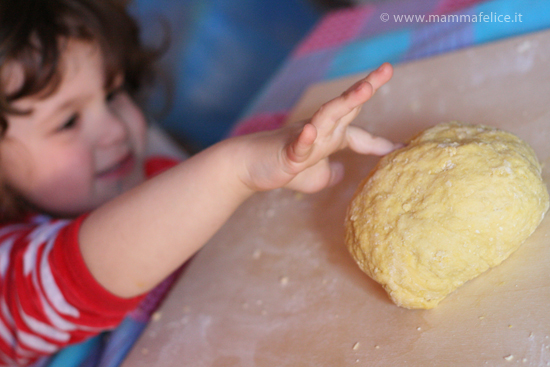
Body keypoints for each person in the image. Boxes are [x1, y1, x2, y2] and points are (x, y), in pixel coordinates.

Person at [0, 0, 399, 365]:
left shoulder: (147, 171)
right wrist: (234, 169)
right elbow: (78, 275)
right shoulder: (7, 279)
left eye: (113, 93)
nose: (115, 130)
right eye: (68, 121)